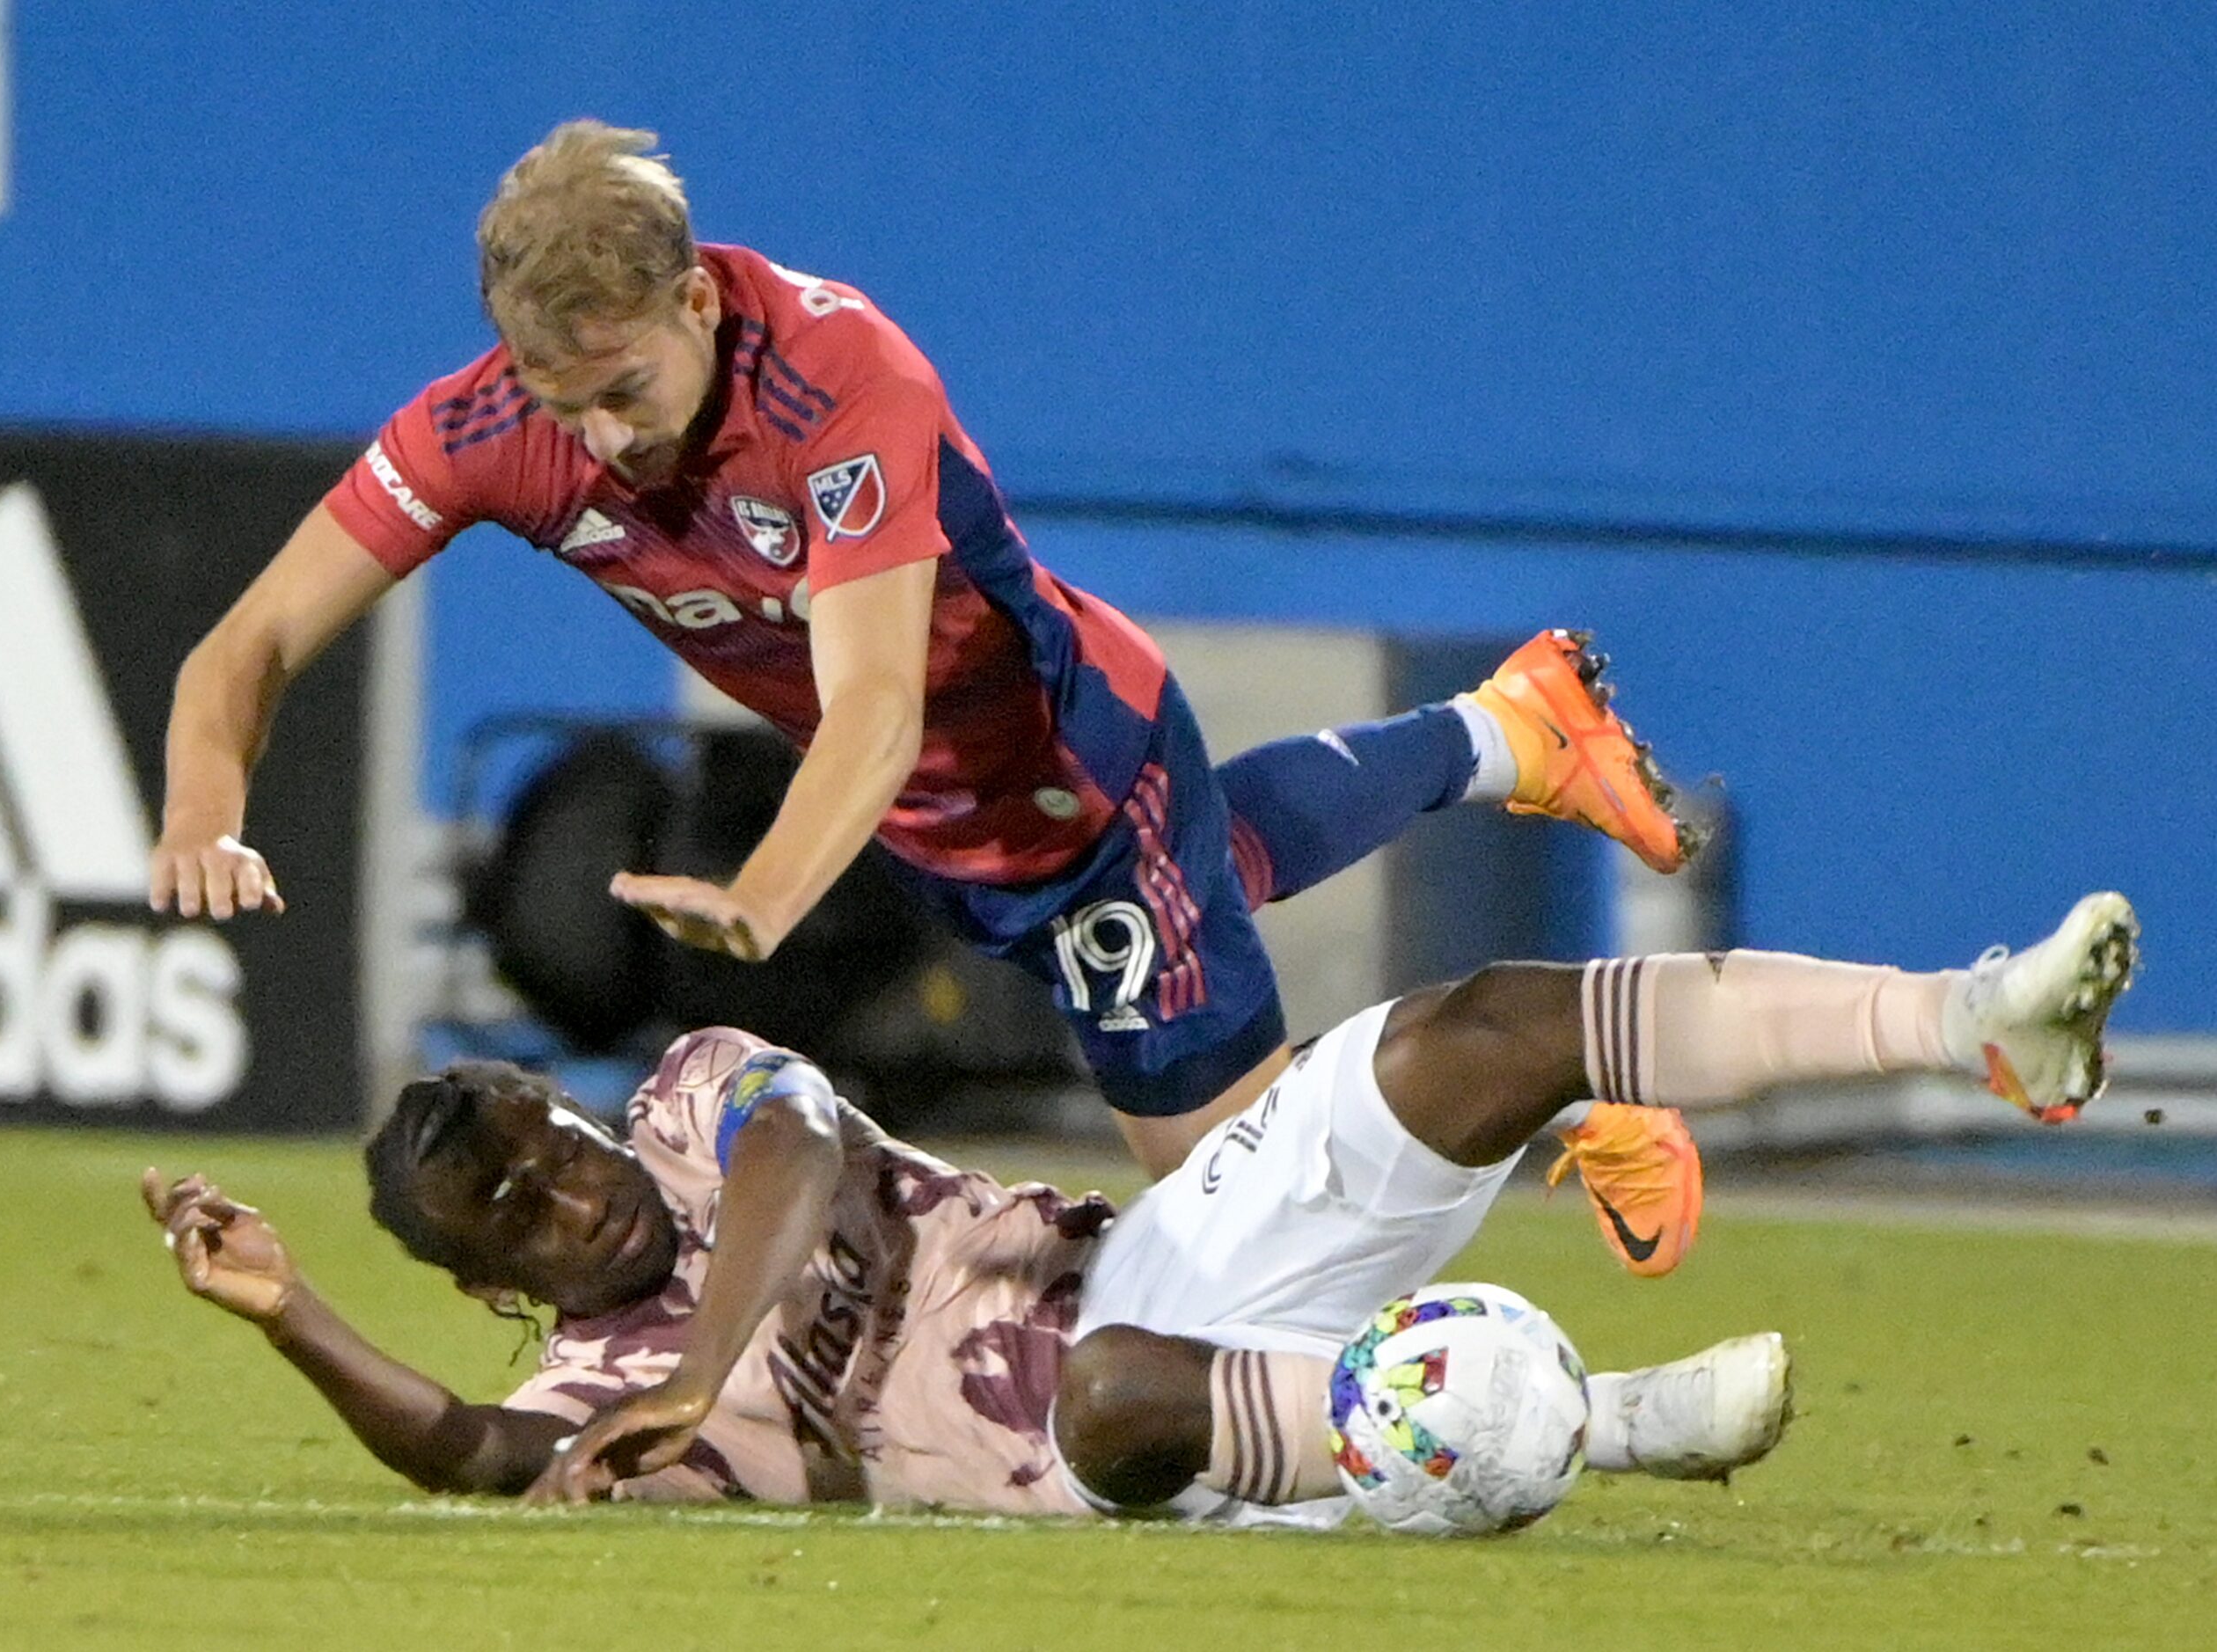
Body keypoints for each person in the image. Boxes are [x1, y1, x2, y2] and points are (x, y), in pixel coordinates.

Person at [146, 117, 1703, 1243]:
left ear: (696, 300)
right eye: (564, 399)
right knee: (1223, 870)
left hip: (1070, 768)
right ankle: (1503, 729)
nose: (602, 436)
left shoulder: (838, 378)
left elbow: (875, 705)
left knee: (1243, 1207)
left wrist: (763, 893)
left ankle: (1572, 1083)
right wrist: (203, 809)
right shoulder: (487, 429)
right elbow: (252, 643)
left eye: (623, 387)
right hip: (943, 825)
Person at [144, 892, 2136, 1524]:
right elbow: (474, 1456)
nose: (557, 1187)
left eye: (537, 1136)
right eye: (504, 1202)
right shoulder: (605, 1394)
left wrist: (731, 1348)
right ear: (487, 1274)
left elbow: (807, 1152)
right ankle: (1601, 1424)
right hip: (1126, 1453)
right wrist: (291, 1310)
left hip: (1179, 1261)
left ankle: (1968, 1016)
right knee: (1104, 1401)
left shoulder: (695, 1099)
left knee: (1466, 1028)